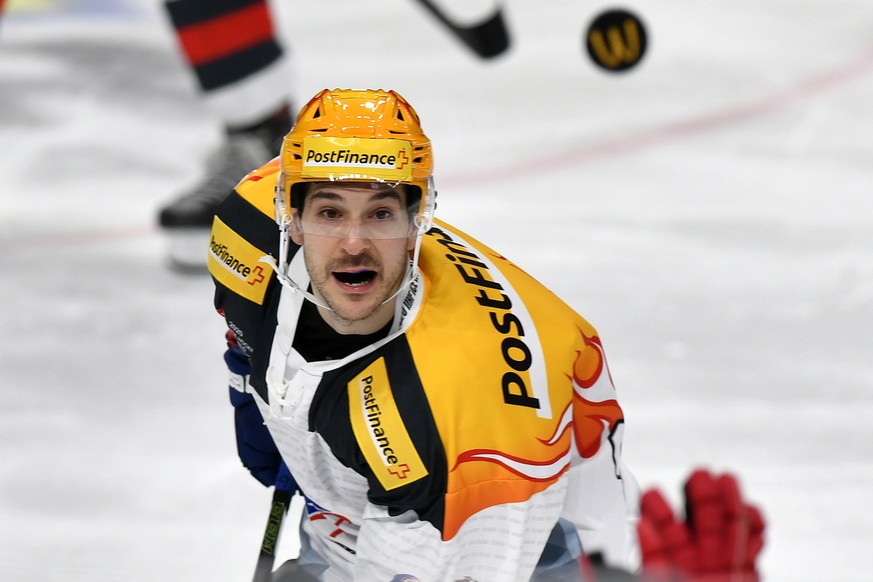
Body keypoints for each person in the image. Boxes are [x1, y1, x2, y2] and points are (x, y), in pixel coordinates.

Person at [208, 88, 642, 581]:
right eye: (330, 212)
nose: (354, 244)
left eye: (380, 214)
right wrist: (261, 390)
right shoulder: (246, 233)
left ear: (417, 223)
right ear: (292, 217)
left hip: (531, 534)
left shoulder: (456, 419)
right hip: (399, 487)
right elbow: (242, 332)